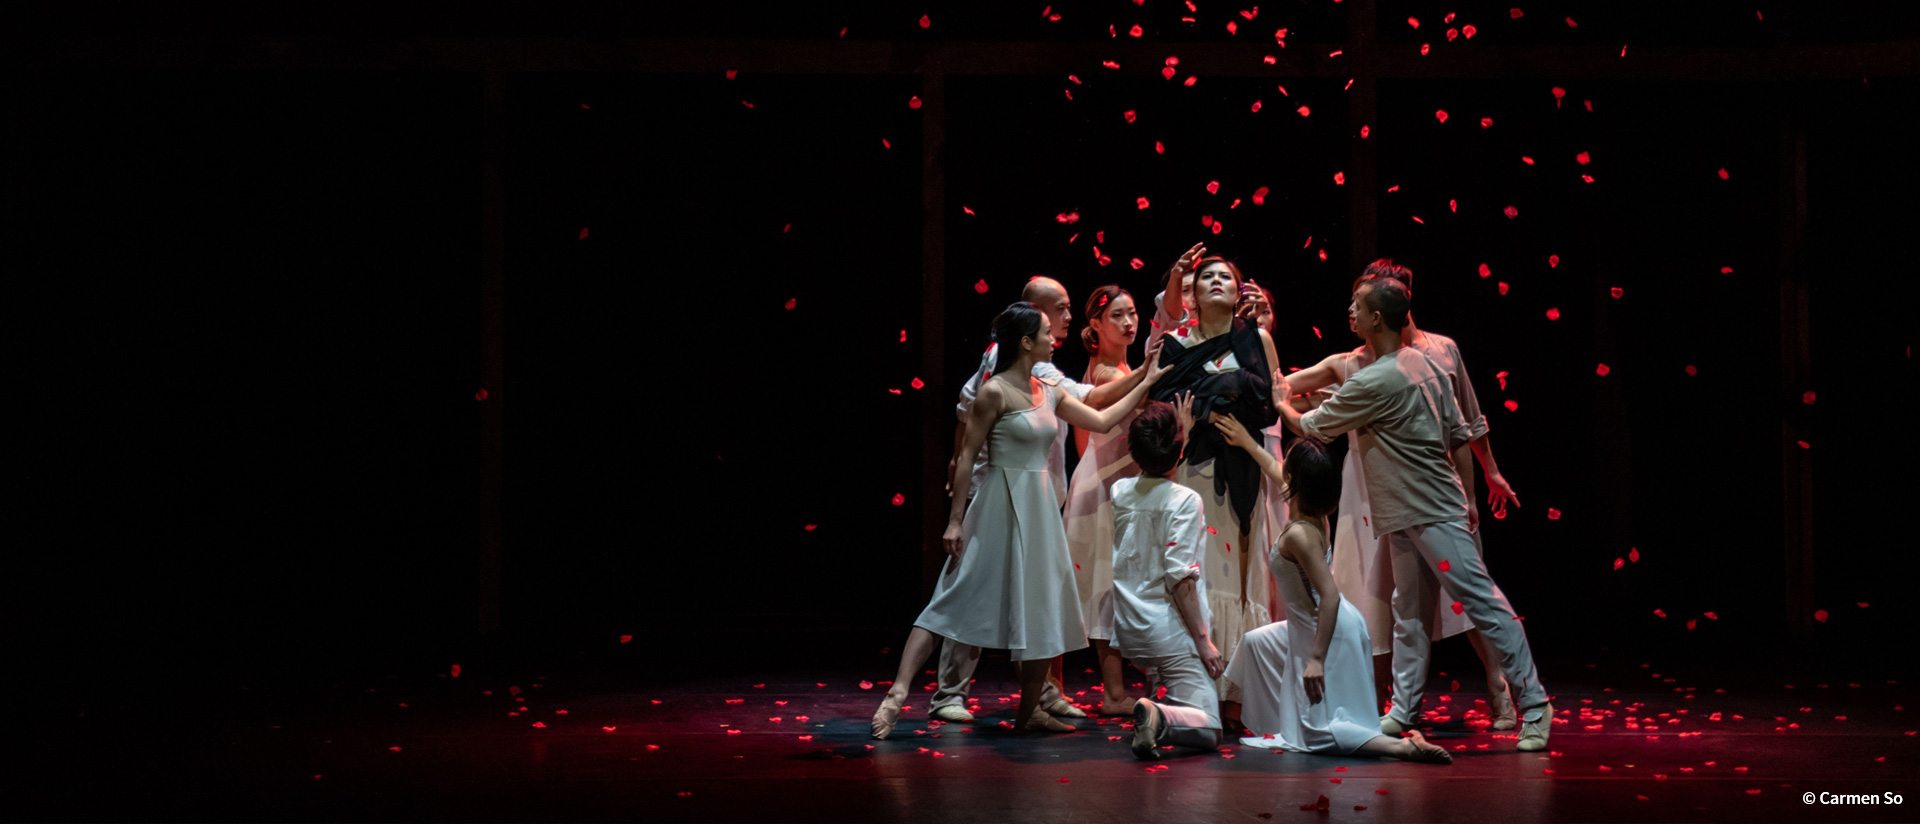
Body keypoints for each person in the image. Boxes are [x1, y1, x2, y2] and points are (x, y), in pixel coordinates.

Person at [1273, 277, 1553, 752]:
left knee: (1483, 604)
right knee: (1410, 613)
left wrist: (1278, 399)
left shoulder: (1379, 377)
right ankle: (1403, 710)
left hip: (1431, 509)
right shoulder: (1419, 362)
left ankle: (1534, 704)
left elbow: (1310, 426)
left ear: (1376, 318)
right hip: (1408, 511)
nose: (1351, 312)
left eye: (1357, 306)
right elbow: (1451, 432)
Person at [873, 302, 1169, 739]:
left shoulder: (1048, 390)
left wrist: (1148, 375)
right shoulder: (994, 392)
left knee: (1041, 608)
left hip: (1039, 507)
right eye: (1047, 332)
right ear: (1027, 342)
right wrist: (955, 521)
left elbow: (1104, 418)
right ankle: (896, 695)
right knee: (950, 598)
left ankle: (1029, 709)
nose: (1054, 338)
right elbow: (967, 454)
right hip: (997, 500)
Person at [1211, 421, 1451, 763]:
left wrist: (1316, 660)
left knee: (1320, 733)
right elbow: (1274, 468)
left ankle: (1401, 747)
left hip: (1325, 625)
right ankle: (1242, 713)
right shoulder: (1313, 511)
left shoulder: (1300, 535)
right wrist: (1249, 442)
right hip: (1308, 622)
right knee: (1255, 644)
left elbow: (1330, 596)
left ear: (1294, 481)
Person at [1146, 251, 1281, 728]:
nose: (1217, 281)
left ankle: (1236, 698)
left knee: (1238, 579)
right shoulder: (1174, 343)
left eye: (1226, 275)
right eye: (1208, 276)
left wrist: (1228, 387)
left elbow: (1268, 406)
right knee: (1197, 573)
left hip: (1240, 466)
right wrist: (1225, 388)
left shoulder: (1256, 339)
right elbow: (1161, 405)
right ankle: (1195, 692)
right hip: (1191, 472)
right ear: (1193, 293)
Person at [1109, 396, 1223, 759]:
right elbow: (1180, 579)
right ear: (1178, 446)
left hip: (1130, 626)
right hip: (1167, 632)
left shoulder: (1120, 492)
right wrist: (1203, 641)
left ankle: (1158, 701)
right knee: (1209, 726)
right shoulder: (1185, 501)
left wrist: (1176, 437)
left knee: (1175, 685)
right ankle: (1158, 714)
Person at [1064, 285, 1145, 715]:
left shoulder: (1126, 367)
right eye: (1117, 316)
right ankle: (1114, 693)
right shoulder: (1103, 373)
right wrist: (1156, 368)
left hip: (1121, 482)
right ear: (1096, 324)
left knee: (1125, 585)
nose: (1129, 322)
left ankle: (1134, 683)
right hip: (1104, 489)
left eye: (1132, 314)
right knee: (1104, 588)